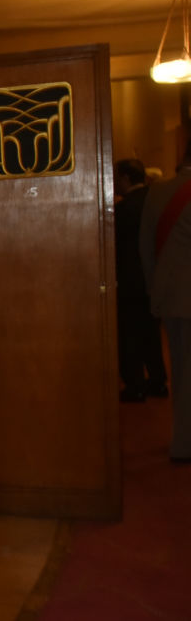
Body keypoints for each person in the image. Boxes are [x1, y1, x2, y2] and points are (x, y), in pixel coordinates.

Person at [140, 139, 191, 463]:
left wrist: (154, 291)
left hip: (173, 298)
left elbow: (145, 247)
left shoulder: (157, 192)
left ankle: (183, 442)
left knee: (183, 374)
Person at [114, 158, 168, 402]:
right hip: (156, 279)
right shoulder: (156, 202)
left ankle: (135, 384)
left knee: (130, 337)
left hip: (130, 281)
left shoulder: (124, 211)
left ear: (125, 178)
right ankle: (158, 381)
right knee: (151, 335)